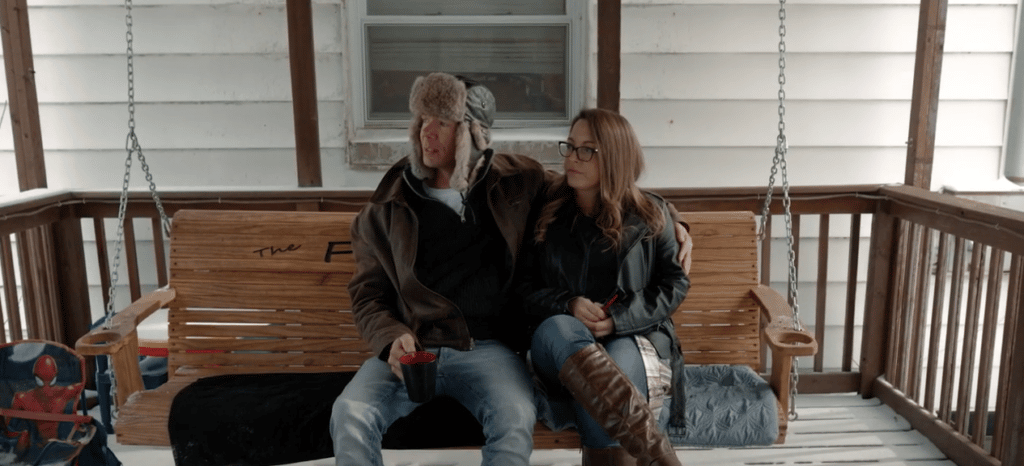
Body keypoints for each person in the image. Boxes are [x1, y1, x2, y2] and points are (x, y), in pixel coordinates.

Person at [330, 72, 546, 466]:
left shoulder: (520, 182)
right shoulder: (387, 206)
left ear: (475, 134)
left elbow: (596, 194)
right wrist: (391, 338)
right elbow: (368, 294)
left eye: (442, 123)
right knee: (350, 413)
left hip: (487, 349)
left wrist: (667, 219)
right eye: (422, 121)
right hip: (414, 348)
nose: (426, 133)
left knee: (514, 417)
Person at [521, 108, 689, 466]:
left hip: (631, 337)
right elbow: (524, 286)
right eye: (570, 146)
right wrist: (568, 303)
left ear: (613, 156)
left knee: (610, 376)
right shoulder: (547, 212)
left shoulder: (650, 215)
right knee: (561, 327)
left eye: (587, 150)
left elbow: (673, 284)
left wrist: (619, 319)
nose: (572, 158)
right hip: (558, 344)